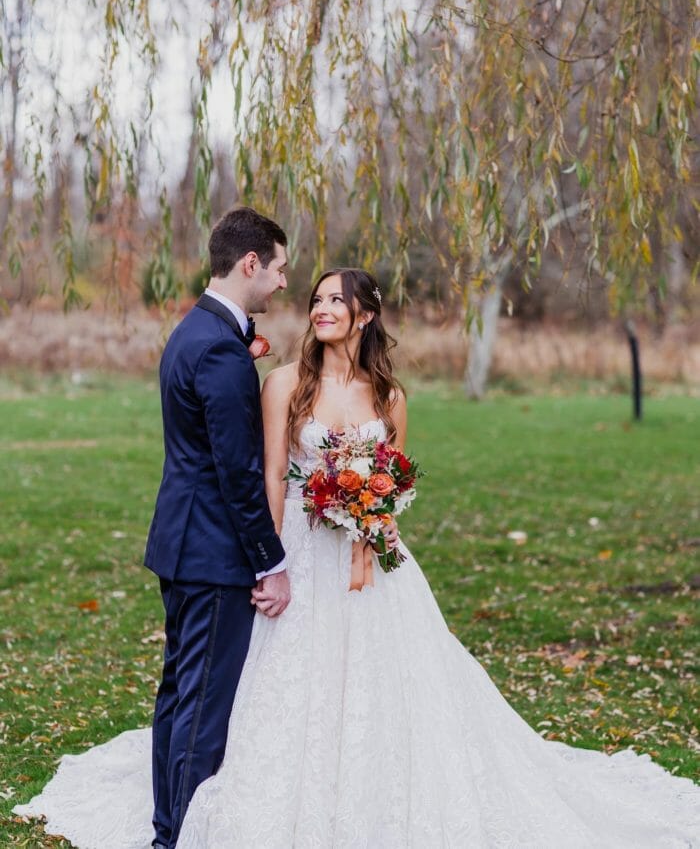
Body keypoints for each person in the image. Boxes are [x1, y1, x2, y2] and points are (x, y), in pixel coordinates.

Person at [13, 269, 700, 847]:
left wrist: (371, 517)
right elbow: (272, 476)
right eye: (315, 299)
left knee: (391, 680)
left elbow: (394, 478)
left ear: (365, 315)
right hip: (302, 549)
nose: (320, 309)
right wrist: (269, 561)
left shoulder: (391, 396)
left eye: (334, 301)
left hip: (371, 556)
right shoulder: (285, 384)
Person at [143, 205, 291, 848]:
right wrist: (270, 561)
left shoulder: (196, 331)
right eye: (279, 269)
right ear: (250, 263)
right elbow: (238, 472)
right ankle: (177, 838)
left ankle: (166, 826)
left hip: (182, 543)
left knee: (179, 697)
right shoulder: (220, 352)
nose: (283, 282)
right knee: (202, 710)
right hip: (213, 555)